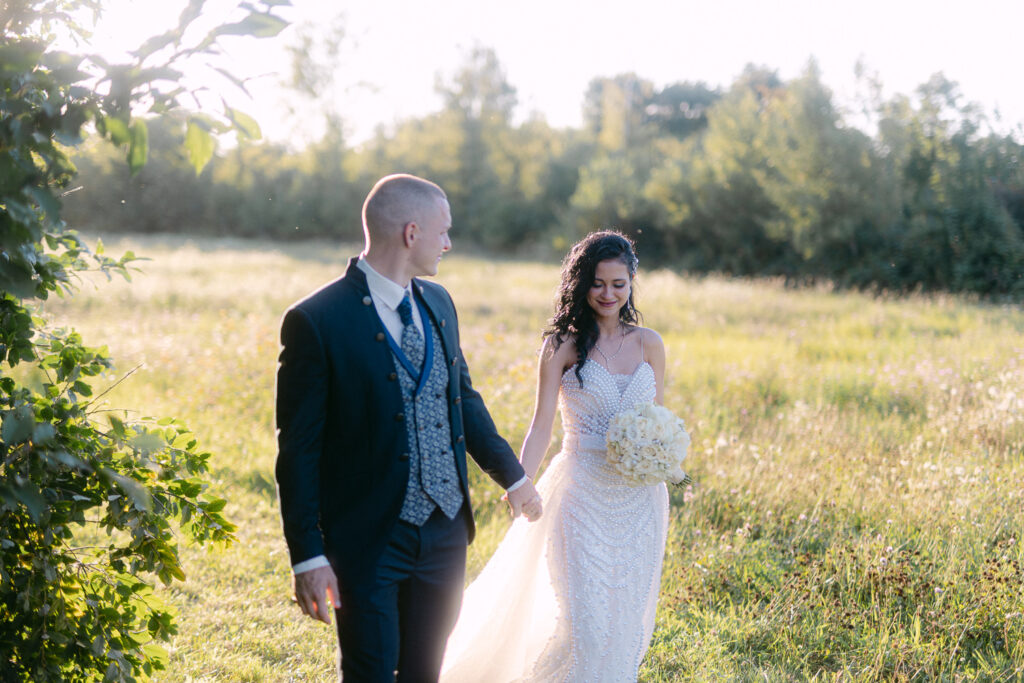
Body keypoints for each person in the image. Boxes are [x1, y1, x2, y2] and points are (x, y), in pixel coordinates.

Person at [274, 173, 543, 682]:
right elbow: (298, 452)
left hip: (446, 534)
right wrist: (307, 556)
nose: (449, 243)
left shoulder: (439, 303)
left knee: (425, 673)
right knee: (370, 673)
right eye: (444, 231)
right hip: (367, 538)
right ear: (411, 233)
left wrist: (514, 478)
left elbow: (462, 399)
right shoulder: (316, 320)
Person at [441, 231, 670, 682]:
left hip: (640, 499)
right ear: (581, 284)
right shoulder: (562, 346)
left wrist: (662, 456)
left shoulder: (650, 344)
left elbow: (658, 419)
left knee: (623, 622)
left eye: (618, 284)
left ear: (631, 283)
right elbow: (541, 425)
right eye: (597, 283)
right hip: (581, 494)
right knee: (585, 623)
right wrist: (520, 482)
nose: (608, 294)